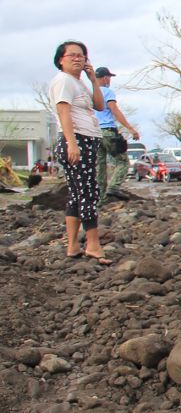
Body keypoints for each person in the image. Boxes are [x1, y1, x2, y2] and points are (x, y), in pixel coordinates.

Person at [48, 40, 111, 264]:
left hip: (85, 140)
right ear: (60, 60)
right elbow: (63, 112)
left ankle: (73, 246)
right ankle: (93, 245)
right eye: (72, 55)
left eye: (82, 56)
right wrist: (71, 143)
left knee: (77, 195)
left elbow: (100, 106)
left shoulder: (78, 83)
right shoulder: (63, 81)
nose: (78, 58)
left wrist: (93, 79)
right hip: (77, 141)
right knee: (88, 193)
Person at [92, 67, 140, 205]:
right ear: (105, 78)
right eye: (109, 78)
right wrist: (130, 128)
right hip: (108, 131)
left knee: (100, 166)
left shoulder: (89, 93)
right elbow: (114, 110)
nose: (110, 80)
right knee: (123, 162)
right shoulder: (107, 92)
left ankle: (100, 199)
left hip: (94, 133)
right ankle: (113, 187)